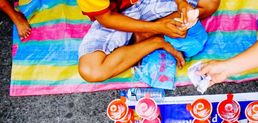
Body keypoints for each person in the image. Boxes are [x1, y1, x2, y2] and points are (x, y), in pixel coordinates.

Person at [77, 0, 220, 82]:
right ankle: (154, 40)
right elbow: (106, 18)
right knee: (91, 70)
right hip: (119, 15)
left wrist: (181, 2)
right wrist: (156, 28)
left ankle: (144, 35)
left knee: (209, 4)